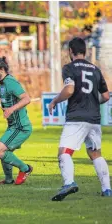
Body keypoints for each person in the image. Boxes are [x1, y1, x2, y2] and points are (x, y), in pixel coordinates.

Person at [49, 37, 111, 201]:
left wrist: (55, 100)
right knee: (95, 153)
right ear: (85, 51)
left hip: (77, 117)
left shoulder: (69, 68)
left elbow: (69, 89)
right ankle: (107, 189)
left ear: (70, 51)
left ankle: (69, 182)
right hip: (94, 118)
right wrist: (90, 101)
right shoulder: (95, 69)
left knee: (64, 152)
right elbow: (105, 95)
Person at [0, 56, 33, 185]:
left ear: (1, 70)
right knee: (4, 150)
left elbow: (26, 99)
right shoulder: (3, 83)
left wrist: (11, 109)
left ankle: (25, 168)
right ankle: (8, 179)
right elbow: (4, 91)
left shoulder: (11, 82)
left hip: (21, 127)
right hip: (13, 126)